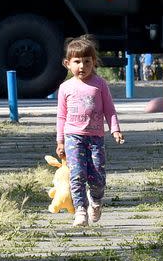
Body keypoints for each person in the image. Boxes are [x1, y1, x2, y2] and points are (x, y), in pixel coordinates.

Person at [55, 35, 124, 227]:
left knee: (97, 177)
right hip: (73, 137)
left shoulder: (100, 85)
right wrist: (60, 141)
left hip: (95, 138)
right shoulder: (65, 88)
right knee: (77, 174)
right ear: (67, 63)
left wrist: (115, 130)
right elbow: (61, 116)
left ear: (94, 62)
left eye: (87, 61)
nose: (82, 66)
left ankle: (95, 200)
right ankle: (80, 210)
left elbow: (109, 109)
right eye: (77, 62)